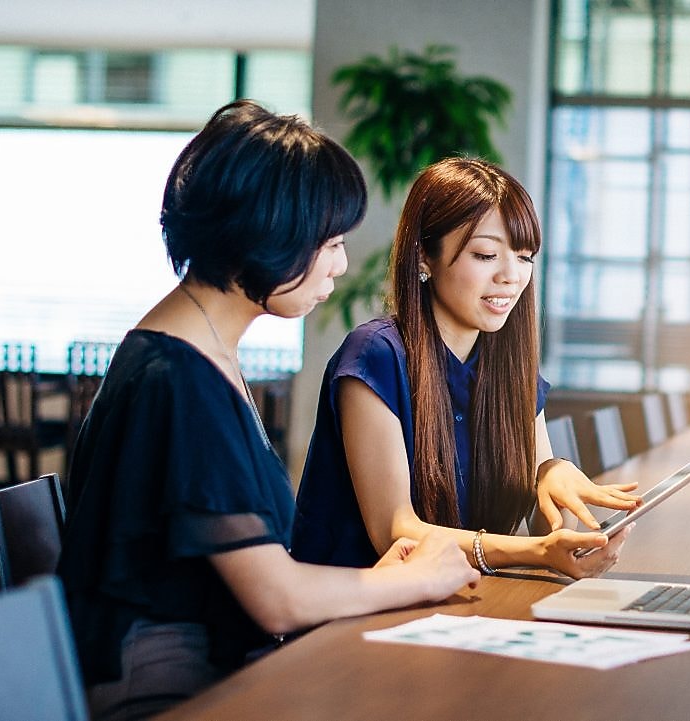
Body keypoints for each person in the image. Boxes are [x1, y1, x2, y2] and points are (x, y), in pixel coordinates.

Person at [56, 101, 479, 721]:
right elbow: (276, 600)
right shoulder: (179, 378)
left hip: (215, 670)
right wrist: (419, 579)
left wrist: (388, 576)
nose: (339, 263)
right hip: (175, 694)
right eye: (330, 242)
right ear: (270, 233)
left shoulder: (190, 350)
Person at [292, 157, 640, 579]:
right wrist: (538, 551)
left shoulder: (509, 369)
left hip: (457, 606)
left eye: (525, 256)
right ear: (424, 255)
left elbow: (548, 534)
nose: (511, 276)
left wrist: (554, 476)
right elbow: (395, 534)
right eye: (486, 254)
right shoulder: (375, 355)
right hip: (351, 620)